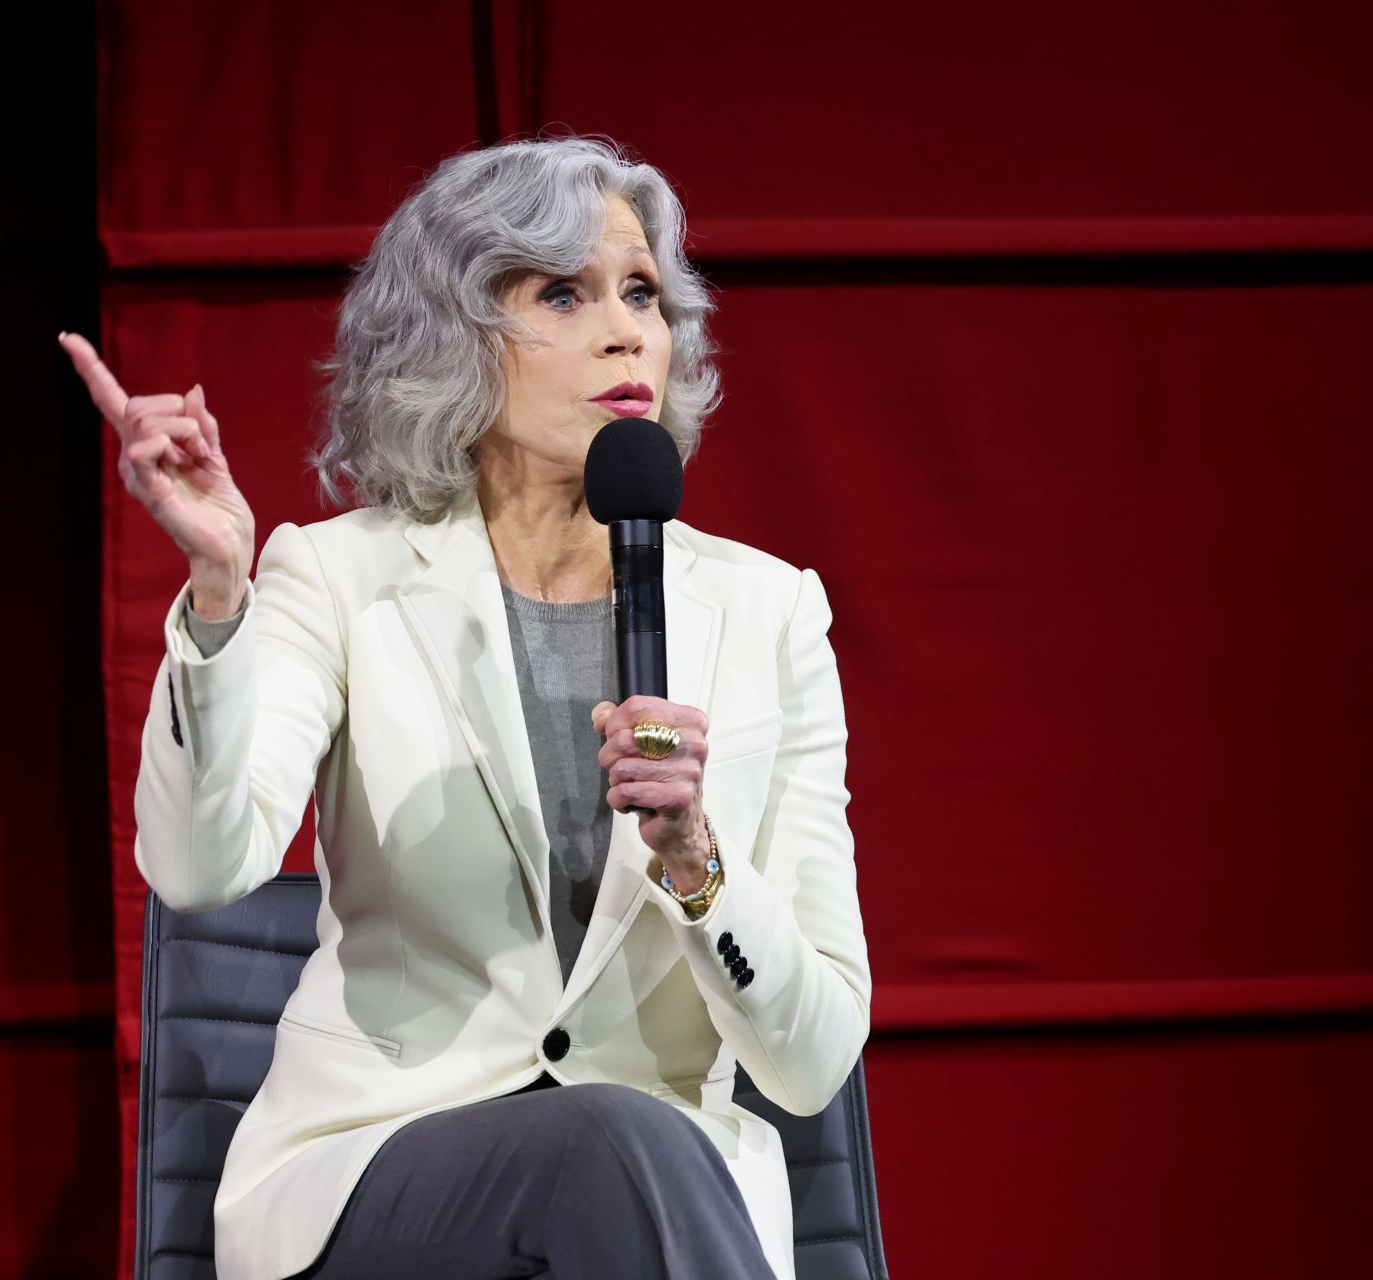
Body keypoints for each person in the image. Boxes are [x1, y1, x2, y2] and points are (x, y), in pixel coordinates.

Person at [60, 135, 870, 1280]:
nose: (625, 328)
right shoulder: (337, 576)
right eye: (562, 292)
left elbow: (813, 1059)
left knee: (626, 1144)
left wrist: (698, 865)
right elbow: (200, 866)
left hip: (655, 1198)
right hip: (383, 1178)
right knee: (610, 1138)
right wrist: (221, 592)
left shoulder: (768, 611)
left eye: (641, 291)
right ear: (457, 337)